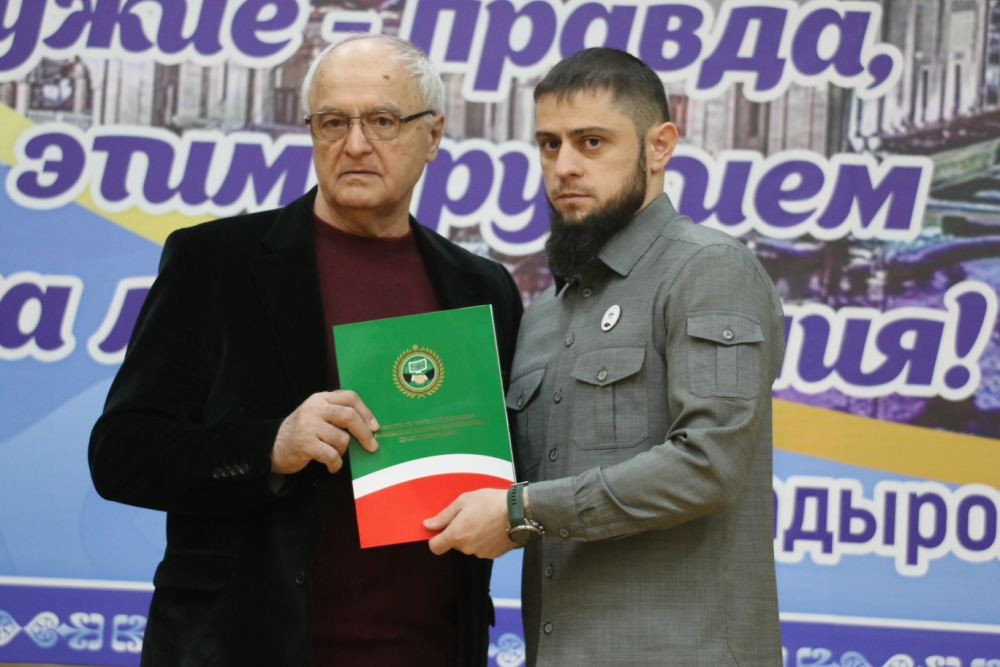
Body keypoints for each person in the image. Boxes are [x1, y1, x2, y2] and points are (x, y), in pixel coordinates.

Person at [89, 35, 522, 667]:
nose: (355, 144)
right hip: (244, 646)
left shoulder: (480, 287)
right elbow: (121, 454)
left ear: (431, 135)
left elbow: (513, 452)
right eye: (332, 122)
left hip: (427, 647)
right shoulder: (215, 263)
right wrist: (270, 447)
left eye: (382, 121)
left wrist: (515, 508)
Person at [424, 48, 785, 666]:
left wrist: (522, 511)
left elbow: (710, 465)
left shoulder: (708, 270)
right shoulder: (544, 314)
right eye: (549, 144)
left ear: (659, 146)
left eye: (592, 142)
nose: (564, 165)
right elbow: (506, 479)